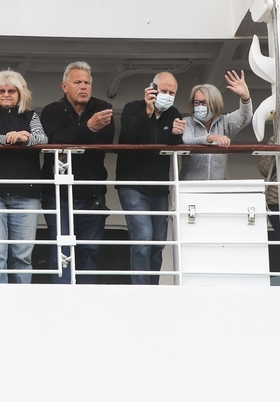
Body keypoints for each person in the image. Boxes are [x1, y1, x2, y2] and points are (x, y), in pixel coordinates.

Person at [39, 62, 114, 284]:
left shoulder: (103, 108)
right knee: (61, 249)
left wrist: (72, 139)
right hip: (58, 194)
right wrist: (89, 129)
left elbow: (104, 141)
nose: (84, 87)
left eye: (87, 82)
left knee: (90, 249)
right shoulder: (52, 110)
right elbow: (54, 139)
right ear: (64, 86)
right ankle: (63, 298)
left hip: (92, 193)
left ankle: (85, 298)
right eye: (78, 82)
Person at [0, 70, 47, 284]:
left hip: (26, 192)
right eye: (1, 91)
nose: (5, 94)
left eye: (11, 91)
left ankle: (22, 305)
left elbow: (43, 139)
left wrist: (24, 138)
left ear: (20, 93)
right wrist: (7, 138)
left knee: (22, 255)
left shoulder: (31, 116)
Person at [116, 71, 185, 285]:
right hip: (133, 185)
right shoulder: (132, 108)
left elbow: (175, 149)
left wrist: (176, 135)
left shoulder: (174, 113)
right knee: (143, 237)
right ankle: (141, 289)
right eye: (163, 91)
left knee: (157, 243)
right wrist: (147, 112)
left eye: (171, 92)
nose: (167, 95)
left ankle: (153, 288)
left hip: (160, 188)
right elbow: (128, 138)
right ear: (152, 89)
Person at [180, 70, 252, 180]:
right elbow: (186, 140)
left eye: (204, 103)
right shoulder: (187, 122)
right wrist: (210, 138)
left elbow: (244, 117)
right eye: (196, 103)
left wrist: (245, 97)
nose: (199, 106)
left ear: (214, 103)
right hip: (190, 187)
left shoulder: (224, 122)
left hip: (218, 186)